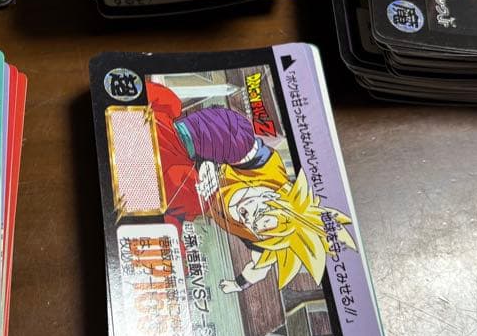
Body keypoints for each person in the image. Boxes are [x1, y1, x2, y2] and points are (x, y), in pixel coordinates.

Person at [145, 81, 355, 294]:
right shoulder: (268, 170)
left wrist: (237, 285)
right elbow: (229, 128)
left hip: (180, 199)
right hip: (177, 145)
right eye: (260, 211)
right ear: (274, 196)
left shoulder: (262, 239)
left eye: (253, 224)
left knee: (167, 257)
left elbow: (259, 269)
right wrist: (208, 160)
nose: (247, 215)